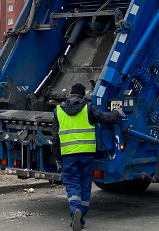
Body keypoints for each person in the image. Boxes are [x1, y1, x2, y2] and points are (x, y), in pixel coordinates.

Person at [52, 83, 124, 230]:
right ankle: (81, 217)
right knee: (85, 184)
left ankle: (75, 210)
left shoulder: (58, 111)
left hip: (69, 155)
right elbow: (105, 118)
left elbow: (55, 138)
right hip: (86, 155)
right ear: (83, 96)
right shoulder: (88, 108)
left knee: (72, 183)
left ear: (70, 95)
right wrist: (117, 113)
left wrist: (58, 158)